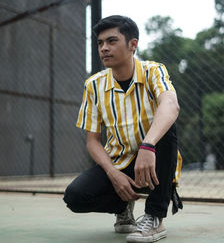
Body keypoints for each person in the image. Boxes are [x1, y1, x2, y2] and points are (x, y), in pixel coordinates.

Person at [63, 15, 183, 243]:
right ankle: (123, 205)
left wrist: (148, 145)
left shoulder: (153, 71)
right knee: (75, 197)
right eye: (100, 43)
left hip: (154, 160)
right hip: (118, 162)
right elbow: (92, 140)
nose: (104, 48)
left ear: (132, 44)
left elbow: (171, 104)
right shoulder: (93, 85)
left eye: (111, 41)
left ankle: (154, 217)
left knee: (167, 124)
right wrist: (112, 173)